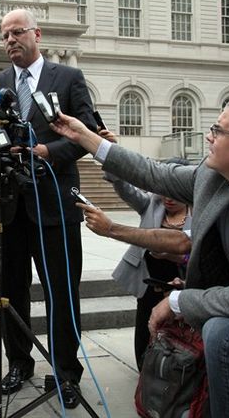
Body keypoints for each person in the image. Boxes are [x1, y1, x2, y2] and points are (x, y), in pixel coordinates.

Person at [51, 94, 229, 418]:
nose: (208, 136)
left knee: (225, 336)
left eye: (218, 129)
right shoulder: (213, 177)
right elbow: (154, 174)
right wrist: (84, 137)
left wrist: (178, 301)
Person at [0, 8, 97, 406]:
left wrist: (49, 151)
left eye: (17, 32)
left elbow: (87, 135)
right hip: (9, 208)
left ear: (37, 34)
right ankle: (19, 362)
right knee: (11, 291)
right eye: (4, 35)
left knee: (61, 292)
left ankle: (66, 373)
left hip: (55, 207)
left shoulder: (68, 78)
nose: (10, 40)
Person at [80, 155, 192, 369]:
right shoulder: (151, 204)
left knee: (181, 334)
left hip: (183, 282)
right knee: (145, 330)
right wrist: (112, 156)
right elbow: (124, 188)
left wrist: (176, 256)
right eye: (163, 189)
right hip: (148, 283)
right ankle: (145, 374)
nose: (168, 197)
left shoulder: (201, 210)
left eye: (175, 191)